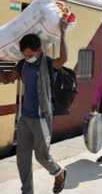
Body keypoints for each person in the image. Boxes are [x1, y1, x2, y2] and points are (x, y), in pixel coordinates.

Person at [0, 20, 68, 194]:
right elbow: (7, 80)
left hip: (41, 118)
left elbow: (63, 60)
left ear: (39, 50)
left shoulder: (46, 63)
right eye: (25, 54)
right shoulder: (23, 64)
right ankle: (27, 191)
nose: (27, 57)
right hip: (25, 119)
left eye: (30, 54)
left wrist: (63, 32)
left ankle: (58, 172)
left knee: (42, 157)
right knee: (22, 158)